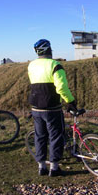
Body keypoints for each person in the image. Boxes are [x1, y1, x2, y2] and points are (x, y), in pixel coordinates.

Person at [28, 39, 77, 177]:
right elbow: (61, 87)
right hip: (52, 107)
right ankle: (54, 168)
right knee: (55, 136)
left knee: (40, 136)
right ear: (49, 49)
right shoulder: (55, 65)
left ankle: (41, 167)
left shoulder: (31, 65)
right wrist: (71, 101)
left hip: (36, 107)